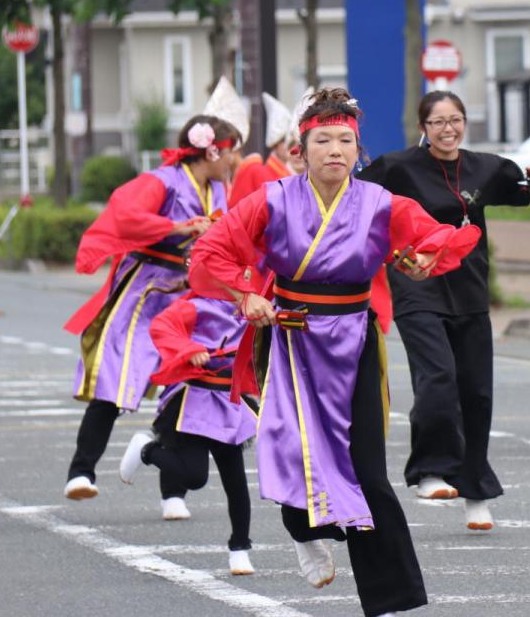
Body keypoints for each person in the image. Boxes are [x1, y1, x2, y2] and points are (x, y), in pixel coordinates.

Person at [189, 88, 481, 617]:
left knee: (368, 472)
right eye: (323, 140)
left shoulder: (377, 201)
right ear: (301, 148)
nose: (335, 150)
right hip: (294, 341)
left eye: (345, 140)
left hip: (355, 342)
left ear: (357, 149)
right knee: (294, 457)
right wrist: (247, 293)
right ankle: (304, 531)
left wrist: (420, 260)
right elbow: (211, 252)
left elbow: (432, 238)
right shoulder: (272, 199)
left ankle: (392, 600)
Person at [357, 90, 530, 532]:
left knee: (476, 392)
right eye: (438, 122)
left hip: (469, 288)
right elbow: (355, 196)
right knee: (438, 376)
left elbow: (521, 186)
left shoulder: (485, 165)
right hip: (417, 284)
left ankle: (475, 491)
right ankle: (429, 471)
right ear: (423, 128)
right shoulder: (398, 167)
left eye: (456, 120)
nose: (448, 129)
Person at [62, 114, 240, 514]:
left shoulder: (218, 189)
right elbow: (125, 215)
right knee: (116, 377)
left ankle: (172, 490)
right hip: (144, 289)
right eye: (232, 151)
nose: (235, 160)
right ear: (212, 151)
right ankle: (81, 471)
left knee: (183, 385)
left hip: (189, 295)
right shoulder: (164, 180)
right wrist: (178, 228)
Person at [119, 289, 260, 576]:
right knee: (194, 477)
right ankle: (147, 450)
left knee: (236, 482)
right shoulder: (196, 306)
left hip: (229, 401)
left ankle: (240, 548)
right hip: (194, 400)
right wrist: (189, 349)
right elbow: (161, 326)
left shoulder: (250, 308)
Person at [230, 92, 306, 207]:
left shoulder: (294, 176)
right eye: (289, 143)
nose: (296, 151)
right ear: (275, 144)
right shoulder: (255, 171)